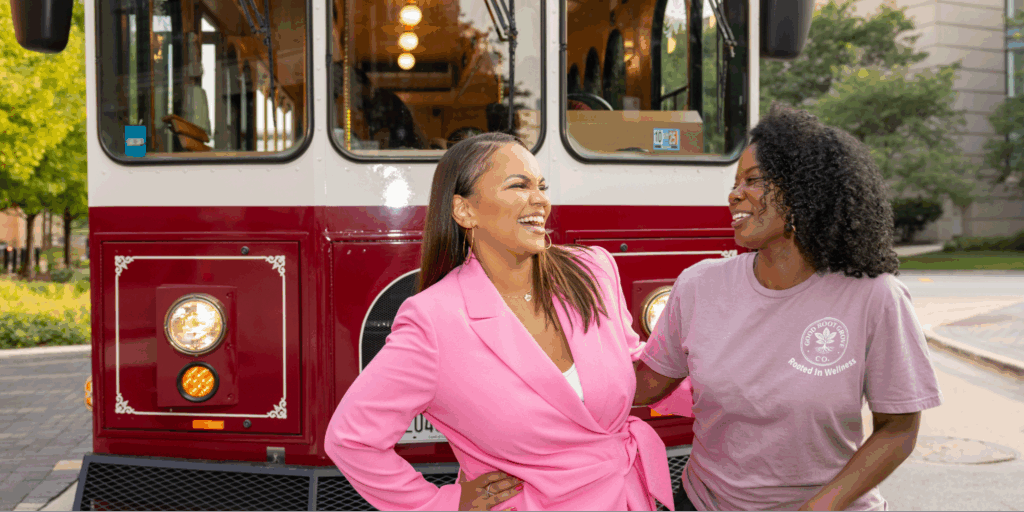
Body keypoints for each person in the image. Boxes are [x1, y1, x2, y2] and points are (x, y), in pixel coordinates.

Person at [325, 132, 682, 511]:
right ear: (465, 211)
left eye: (541, 186)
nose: (541, 200)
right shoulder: (434, 320)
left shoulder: (592, 270)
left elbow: (632, 365)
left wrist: (728, 383)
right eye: (518, 185)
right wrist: (442, 504)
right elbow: (352, 439)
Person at [634, 104, 943, 511]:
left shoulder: (875, 296)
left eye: (753, 180)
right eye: (734, 182)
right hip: (704, 502)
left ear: (805, 190)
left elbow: (899, 428)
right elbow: (644, 385)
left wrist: (822, 505)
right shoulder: (699, 284)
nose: (734, 194)